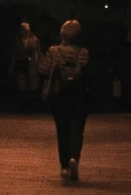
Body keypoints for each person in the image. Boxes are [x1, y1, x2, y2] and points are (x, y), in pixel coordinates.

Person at [38, 19, 91, 182]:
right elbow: (89, 75)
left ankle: (64, 166)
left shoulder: (53, 51)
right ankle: (74, 157)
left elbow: (43, 70)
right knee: (77, 129)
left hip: (58, 94)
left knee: (62, 129)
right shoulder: (83, 52)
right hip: (79, 95)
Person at [10, 21, 41, 103]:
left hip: (32, 64)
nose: (26, 31)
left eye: (27, 29)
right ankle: (23, 103)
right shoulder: (17, 40)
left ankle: (31, 103)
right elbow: (14, 54)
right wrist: (12, 67)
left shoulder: (34, 39)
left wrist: (40, 64)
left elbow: (38, 52)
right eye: (24, 29)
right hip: (21, 63)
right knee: (21, 83)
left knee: (32, 83)